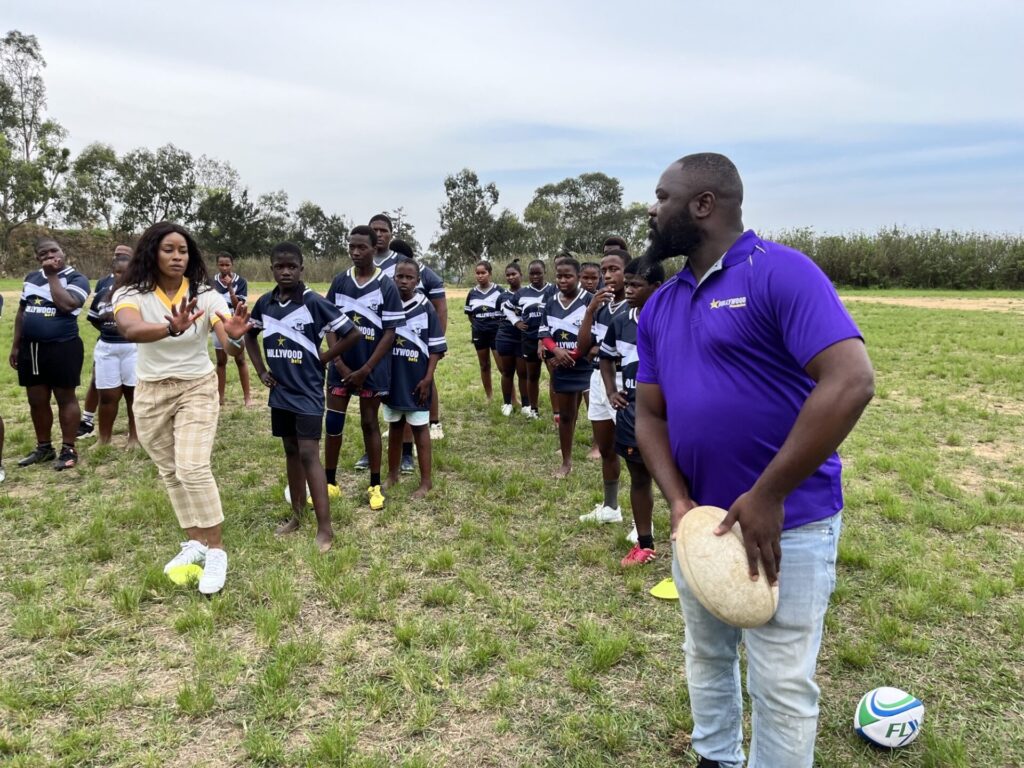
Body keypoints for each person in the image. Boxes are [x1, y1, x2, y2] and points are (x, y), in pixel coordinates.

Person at [636, 153, 874, 768]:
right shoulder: (661, 304)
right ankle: (716, 757)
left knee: (782, 684)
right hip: (703, 527)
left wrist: (768, 494)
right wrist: (681, 503)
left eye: (662, 197)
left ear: (703, 205)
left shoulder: (781, 273)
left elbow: (850, 382)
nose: (651, 209)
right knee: (706, 656)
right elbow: (651, 415)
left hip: (788, 523)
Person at [113, 221, 252, 595]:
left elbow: (227, 335)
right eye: (169, 250)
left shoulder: (205, 295)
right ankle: (196, 541)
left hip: (197, 387)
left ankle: (217, 551)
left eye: (183, 251)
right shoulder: (130, 292)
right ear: (152, 253)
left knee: (192, 466)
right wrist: (170, 328)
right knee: (171, 471)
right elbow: (130, 329)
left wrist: (235, 339)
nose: (177, 257)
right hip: (151, 392)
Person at [245, 242, 360, 553]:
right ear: (271, 268)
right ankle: (297, 516)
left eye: (291, 267)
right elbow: (249, 335)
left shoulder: (313, 302)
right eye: (280, 267)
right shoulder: (265, 303)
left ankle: (325, 529)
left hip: (308, 392)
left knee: (310, 454)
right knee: (291, 451)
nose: (286, 271)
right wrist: (261, 371)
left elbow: (352, 334)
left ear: (301, 269)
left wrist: (324, 358)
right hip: (280, 393)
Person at [323, 225, 404, 511]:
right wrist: (340, 363)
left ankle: (375, 484)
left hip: (373, 369)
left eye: (362, 247)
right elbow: (329, 324)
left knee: (369, 423)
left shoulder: (386, 285)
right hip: (340, 369)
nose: (356, 252)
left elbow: (390, 332)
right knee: (333, 423)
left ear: (374, 249)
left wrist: (366, 368)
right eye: (352, 247)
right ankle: (329, 482)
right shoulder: (339, 282)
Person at [599, 258, 664, 565]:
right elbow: (606, 357)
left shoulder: (673, 319)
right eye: (629, 283)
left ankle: (692, 547)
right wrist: (612, 390)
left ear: (657, 287)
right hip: (632, 412)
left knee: (684, 482)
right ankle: (644, 543)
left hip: (670, 414)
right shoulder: (621, 318)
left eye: (637, 285)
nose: (629, 290)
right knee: (639, 478)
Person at [10, 237, 90, 471]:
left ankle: (69, 449)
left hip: (63, 346)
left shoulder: (77, 279)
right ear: (38, 258)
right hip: (31, 348)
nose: (49, 256)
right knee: (36, 399)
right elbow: (21, 313)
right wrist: (16, 345)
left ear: (62, 252)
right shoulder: (31, 278)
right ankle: (44, 448)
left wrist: (52, 275)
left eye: (54, 251)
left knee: (65, 397)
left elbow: (67, 305)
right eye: (43, 254)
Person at [369, 216, 448, 441]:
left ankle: (433, 422)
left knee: (422, 379)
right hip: (383, 338)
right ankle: (393, 426)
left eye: (383, 230)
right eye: (375, 230)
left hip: (414, 337)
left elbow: (437, 291)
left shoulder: (407, 264)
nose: (379, 234)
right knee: (388, 382)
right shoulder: (366, 263)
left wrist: (436, 341)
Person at [383, 257, 446, 498]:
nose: (404, 281)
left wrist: (428, 377)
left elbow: (436, 347)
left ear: (418, 281)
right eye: (400, 276)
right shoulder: (388, 305)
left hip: (418, 379)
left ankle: (426, 481)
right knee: (395, 425)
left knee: (420, 428)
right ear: (393, 278)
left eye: (410, 277)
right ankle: (392, 475)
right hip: (393, 379)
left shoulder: (426, 307)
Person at [576, 248, 630, 523]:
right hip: (598, 379)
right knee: (607, 448)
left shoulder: (634, 306)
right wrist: (589, 310)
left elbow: (624, 351)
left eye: (614, 269)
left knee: (635, 455)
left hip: (623, 381)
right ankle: (611, 508)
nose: (608, 275)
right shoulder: (600, 306)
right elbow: (583, 349)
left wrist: (601, 350)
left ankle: (642, 523)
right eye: (604, 270)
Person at [539, 257, 593, 478]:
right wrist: (556, 351)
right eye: (559, 276)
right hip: (562, 367)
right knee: (567, 415)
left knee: (597, 415)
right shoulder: (551, 302)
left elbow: (596, 336)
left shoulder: (590, 300)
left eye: (568, 276)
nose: (563, 280)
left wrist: (572, 354)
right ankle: (566, 461)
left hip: (587, 366)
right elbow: (544, 332)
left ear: (578, 277)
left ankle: (602, 449)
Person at [79, 244, 134, 440]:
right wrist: (109, 331)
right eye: (118, 272)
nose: (121, 277)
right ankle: (104, 438)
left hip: (133, 348)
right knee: (107, 395)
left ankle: (135, 437)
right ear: (113, 272)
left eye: (126, 273)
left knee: (133, 395)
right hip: (107, 347)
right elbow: (94, 320)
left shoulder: (140, 295)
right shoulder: (103, 294)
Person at [513, 259, 556, 420]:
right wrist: (516, 321)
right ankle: (534, 409)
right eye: (532, 273)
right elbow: (508, 307)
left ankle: (556, 412)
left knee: (554, 376)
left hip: (550, 340)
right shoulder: (522, 293)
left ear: (545, 272)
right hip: (529, 339)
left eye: (538, 273)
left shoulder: (553, 290)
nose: (535, 276)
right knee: (533, 376)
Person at [210, 251, 253, 407]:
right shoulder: (211, 282)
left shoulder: (240, 282)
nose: (224, 267)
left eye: (227, 264)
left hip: (235, 324)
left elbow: (237, 306)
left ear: (232, 265)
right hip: (218, 324)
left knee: (240, 359)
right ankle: (220, 397)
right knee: (221, 361)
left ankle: (247, 397)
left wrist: (230, 288)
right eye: (221, 264)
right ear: (217, 265)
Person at [463, 260, 503, 402]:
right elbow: (470, 315)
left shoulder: (499, 291)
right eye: (477, 273)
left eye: (483, 273)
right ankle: (489, 397)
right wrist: (478, 326)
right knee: (484, 365)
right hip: (479, 333)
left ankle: (511, 399)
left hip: (497, 333)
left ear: (490, 274)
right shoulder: (472, 293)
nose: (480, 276)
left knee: (503, 367)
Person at [495, 260, 528, 416]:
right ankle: (507, 403)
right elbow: (498, 317)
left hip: (523, 339)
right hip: (505, 338)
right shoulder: (502, 296)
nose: (510, 277)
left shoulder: (528, 294)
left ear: (521, 275)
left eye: (514, 274)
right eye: (508, 275)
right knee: (507, 372)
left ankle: (526, 405)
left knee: (523, 373)